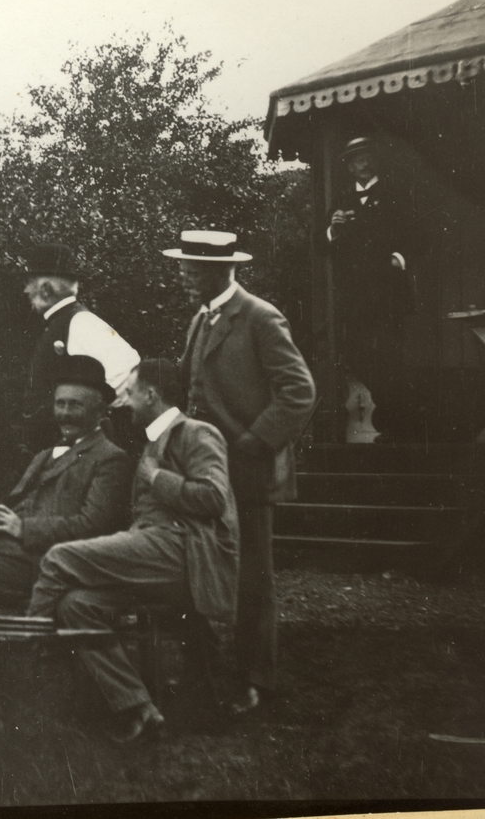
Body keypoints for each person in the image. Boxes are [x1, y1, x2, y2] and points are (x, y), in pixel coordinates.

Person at [27, 359, 239, 742]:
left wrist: (158, 478)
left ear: (152, 395)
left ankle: (29, 656)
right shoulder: (153, 439)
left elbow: (213, 497)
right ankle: (138, 709)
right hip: (154, 554)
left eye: (130, 393)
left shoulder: (196, 432)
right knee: (77, 604)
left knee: (60, 557)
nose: (124, 403)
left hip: (181, 553)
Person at [164, 230, 316, 714]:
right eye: (183, 266)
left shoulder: (260, 317)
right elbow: (190, 381)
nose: (183, 275)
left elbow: (299, 392)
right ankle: (208, 672)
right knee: (201, 565)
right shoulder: (201, 318)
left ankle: (256, 680)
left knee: (252, 576)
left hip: (248, 471)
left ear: (219, 270)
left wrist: (253, 442)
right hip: (205, 469)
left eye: (190, 268)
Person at [0, 355, 133, 611]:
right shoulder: (45, 454)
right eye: (60, 404)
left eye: (75, 406)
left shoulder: (110, 459)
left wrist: (23, 528)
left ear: (99, 412)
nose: (64, 414)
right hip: (9, 546)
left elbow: (93, 526)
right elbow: (18, 503)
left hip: (48, 556)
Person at [326, 136, 428, 440]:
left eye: (368, 157)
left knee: (391, 354)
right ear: (349, 166)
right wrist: (333, 229)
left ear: (376, 160)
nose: (364, 164)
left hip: (388, 294)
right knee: (357, 354)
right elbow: (324, 245)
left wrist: (399, 259)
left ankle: (398, 426)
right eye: (357, 159)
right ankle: (393, 416)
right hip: (356, 297)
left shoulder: (395, 193)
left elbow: (420, 236)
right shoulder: (342, 198)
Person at [17, 242, 140, 454]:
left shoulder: (81, 322)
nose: (25, 290)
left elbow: (127, 377)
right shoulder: (63, 322)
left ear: (45, 289)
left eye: (30, 282)